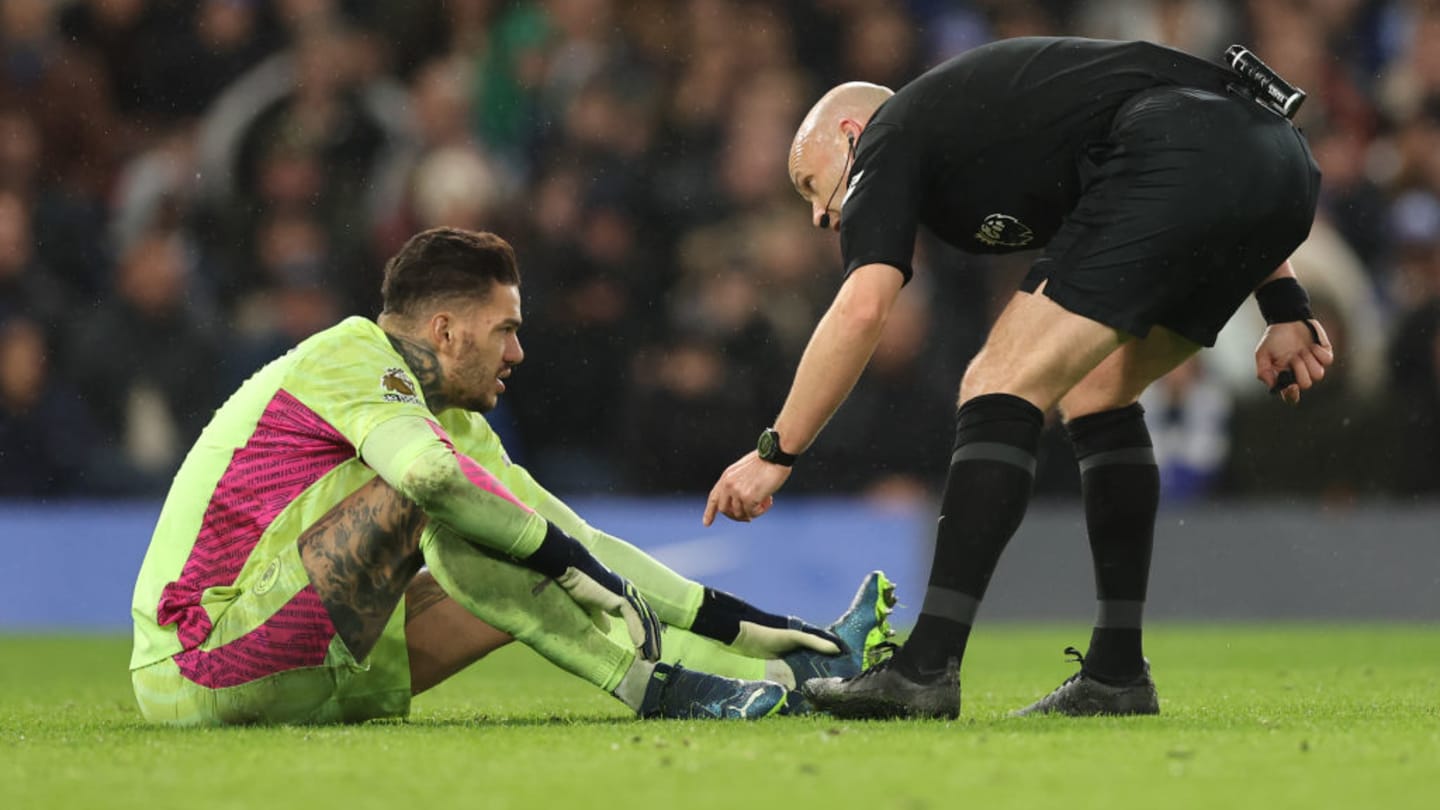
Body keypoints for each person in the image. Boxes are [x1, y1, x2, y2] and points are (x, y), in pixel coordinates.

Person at [704, 37, 1332, 719]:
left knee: (996, 380)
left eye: (809, 184)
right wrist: (1286, 305)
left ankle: (926, 668)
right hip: (1280, 169)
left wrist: (776, 453)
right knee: (1097, 392)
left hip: (1188, 151)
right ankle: (1117, 675)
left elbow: (862, 310)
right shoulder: (992, 134)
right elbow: (1223, 134)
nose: (819, 215)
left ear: (852, 133)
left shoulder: (890, 133)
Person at [131, 226, 895, 726]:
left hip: (305, 668)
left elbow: (579, 538)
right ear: (444, 330)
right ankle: (652, 690)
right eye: (506, 330)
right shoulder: (346, 356)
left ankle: (799, 677)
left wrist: (748, 623)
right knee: (456, 505)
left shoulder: (455, 422)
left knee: (516, 547)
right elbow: (430, 481)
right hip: (199, 656)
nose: (518, 355)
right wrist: (562, 559)